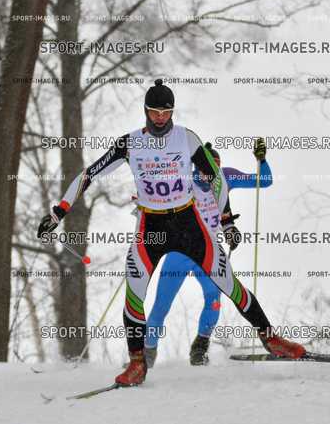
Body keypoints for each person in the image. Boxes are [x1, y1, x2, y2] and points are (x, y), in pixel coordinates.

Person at [38, 79, 305, 386]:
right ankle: (137, 363)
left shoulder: (186, 138)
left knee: (229, 284)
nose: (160, 118)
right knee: (134, 293)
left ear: (173, 112)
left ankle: (271, 339)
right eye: (155, 112)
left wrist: (227, 221)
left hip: (188, 223)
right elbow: (89, 174)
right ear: (146, 111)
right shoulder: (130, 143)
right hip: (151, 226)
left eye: (166, 112)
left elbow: (216, 179)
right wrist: (59, 211)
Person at [143, 139, 273, 367]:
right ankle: (146, 354)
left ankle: (200, 348)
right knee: (162, 305)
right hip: (180, 252)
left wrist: (261, 160)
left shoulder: (226, 177)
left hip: (209, 250)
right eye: (205, 169)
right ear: (196, 166)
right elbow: (155, 192)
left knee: (214, 299)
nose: (209, 175)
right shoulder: (182, 179)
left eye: (214, 169)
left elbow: (265, 181)